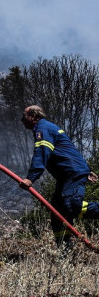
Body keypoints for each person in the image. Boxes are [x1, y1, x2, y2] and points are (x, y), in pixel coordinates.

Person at [18, 105, 99, 246]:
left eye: (24, 116)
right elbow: (69, 150)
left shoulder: (43, 128)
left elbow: (42, 153)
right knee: (57, 212)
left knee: (71, 205)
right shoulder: (46, 127)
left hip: (72, 173)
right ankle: (64, 249)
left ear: (33, 116)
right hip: (68, 175)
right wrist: (87, 169)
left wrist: (31, 178)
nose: (21, 120)